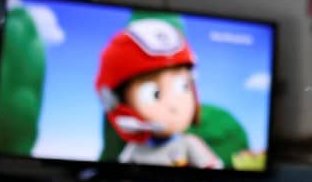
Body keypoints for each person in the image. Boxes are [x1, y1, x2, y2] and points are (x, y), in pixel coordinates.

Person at [95, 17, 222, 169]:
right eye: (154, 94)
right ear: (115, 102)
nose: (174, 106)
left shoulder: (189, 143)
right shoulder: (134, 150)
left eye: (184, 87)